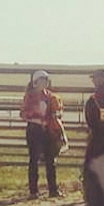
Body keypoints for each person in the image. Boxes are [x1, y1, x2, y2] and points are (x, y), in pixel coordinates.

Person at [19, 70, 65, 198]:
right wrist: (37, 117)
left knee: (51, 160)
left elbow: (57, 111)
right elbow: (23, 113)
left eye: (46, 80)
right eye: (42, 80)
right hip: (34, 130)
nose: (44, 82)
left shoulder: (49, 96)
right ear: (36, 82)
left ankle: (53, 190)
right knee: (34, 160)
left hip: (47, 129)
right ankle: (33, 191)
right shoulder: (30, 97)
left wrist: (55, 116)